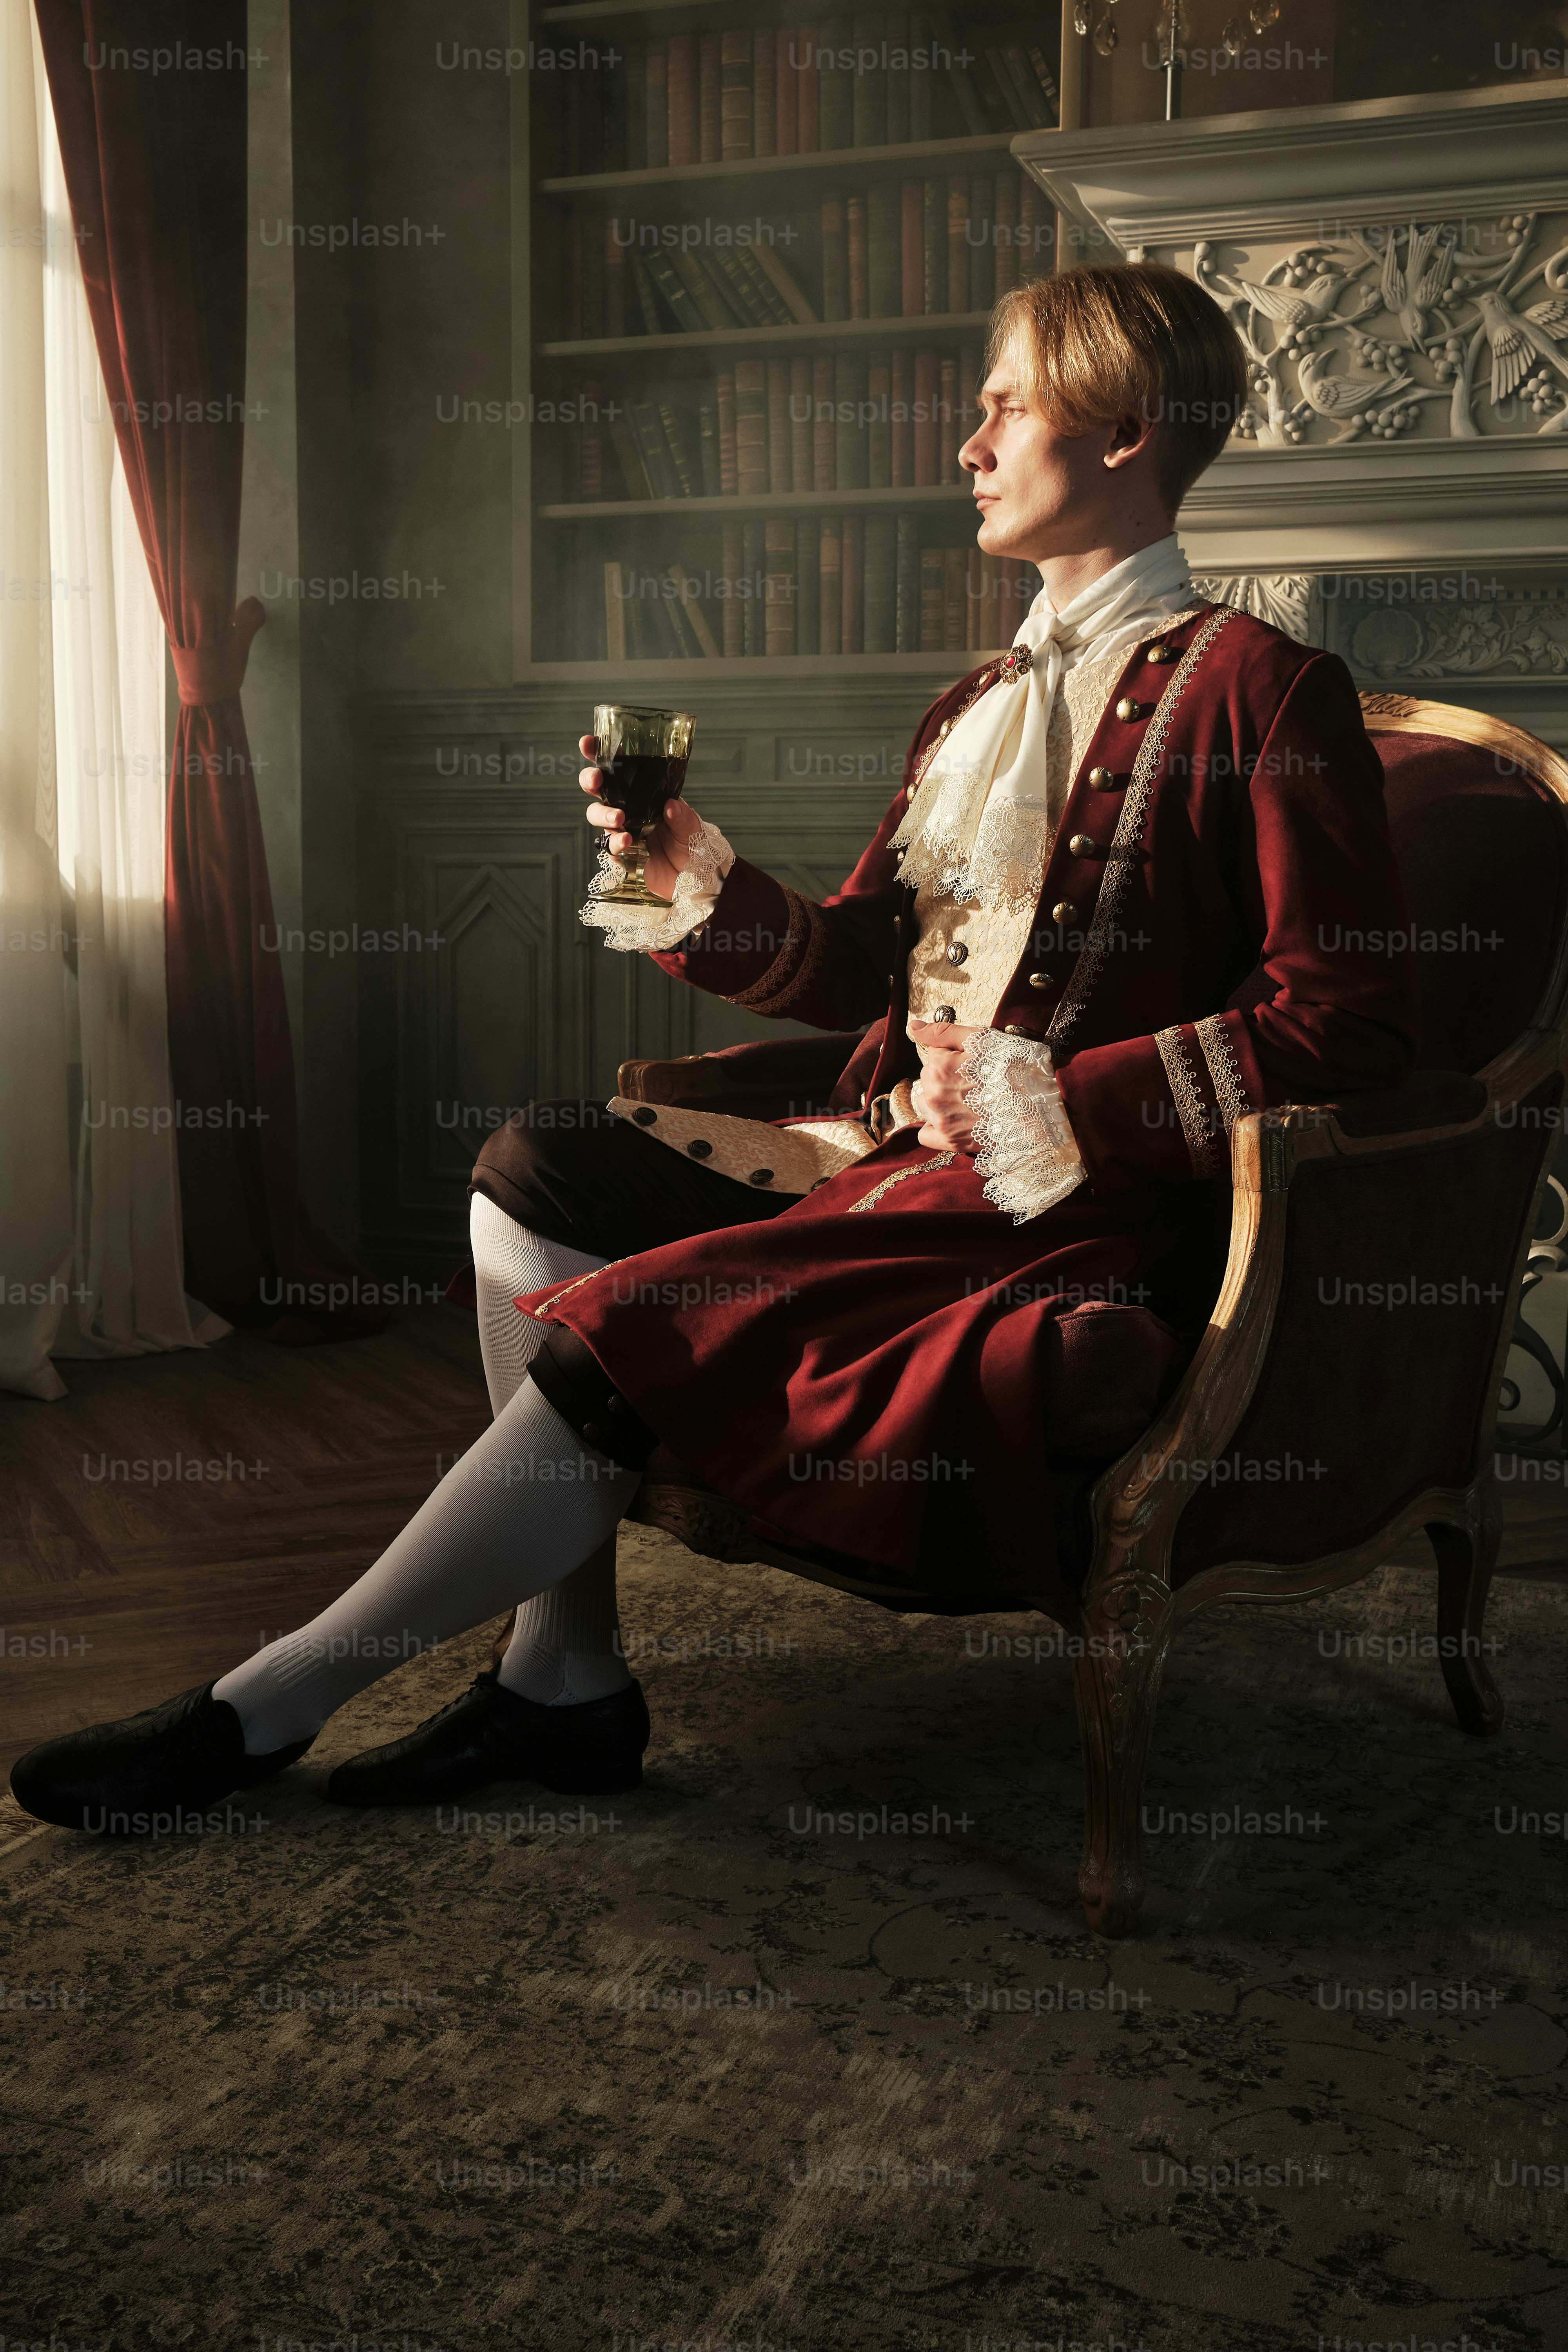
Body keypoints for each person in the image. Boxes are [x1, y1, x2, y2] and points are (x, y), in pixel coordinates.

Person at [10, 262, 1419, 1833]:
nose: (968, 441)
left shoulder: (1266, 691)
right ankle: (565, 1670)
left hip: (1055, 1218)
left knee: (646, 1318)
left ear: (1123, 431)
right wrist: (697, 883)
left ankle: (264, 1707)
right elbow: (858, 965)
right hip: (878, 1159)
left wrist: (1060, 1101)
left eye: (1002, 404)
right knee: (534, 1162)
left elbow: (1354, 1014)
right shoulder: (974, 703)